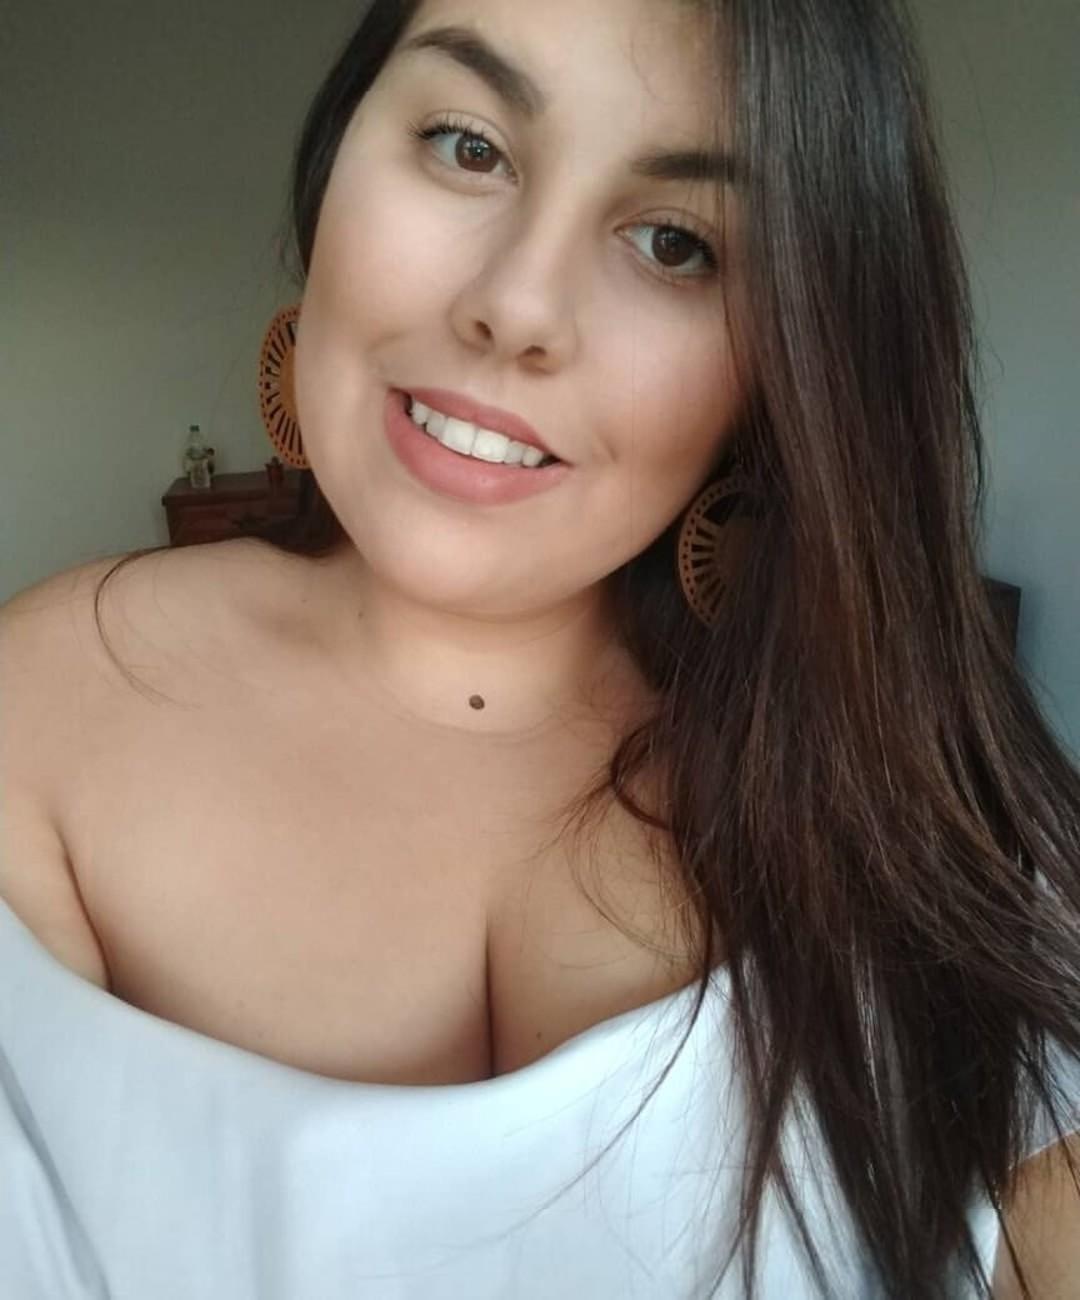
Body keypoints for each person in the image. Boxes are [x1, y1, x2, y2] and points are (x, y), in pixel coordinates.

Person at [2, 0, 1079, 1296]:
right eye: (468, 146)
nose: (516, 307)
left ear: (791, 360)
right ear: (334, 161)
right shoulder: (40, 706)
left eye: (677, 242)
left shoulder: (940, 815)